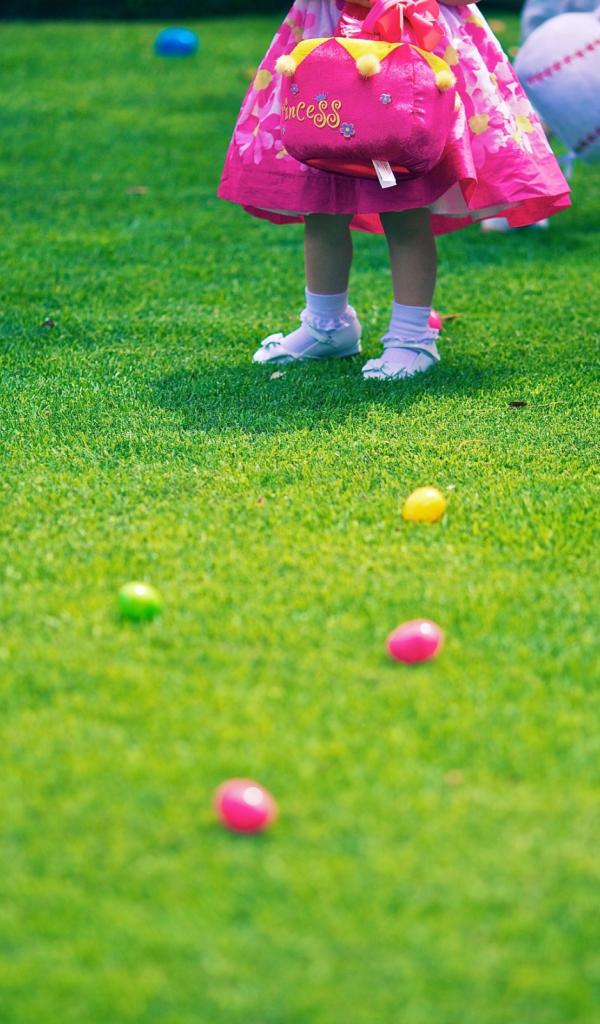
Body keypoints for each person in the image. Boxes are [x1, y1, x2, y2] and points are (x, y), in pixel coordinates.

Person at [217, 0, 570, 381]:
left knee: (405, 202)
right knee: (322, 199)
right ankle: (326, 325)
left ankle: (412, 336)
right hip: (328, 48)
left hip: (412, 52)